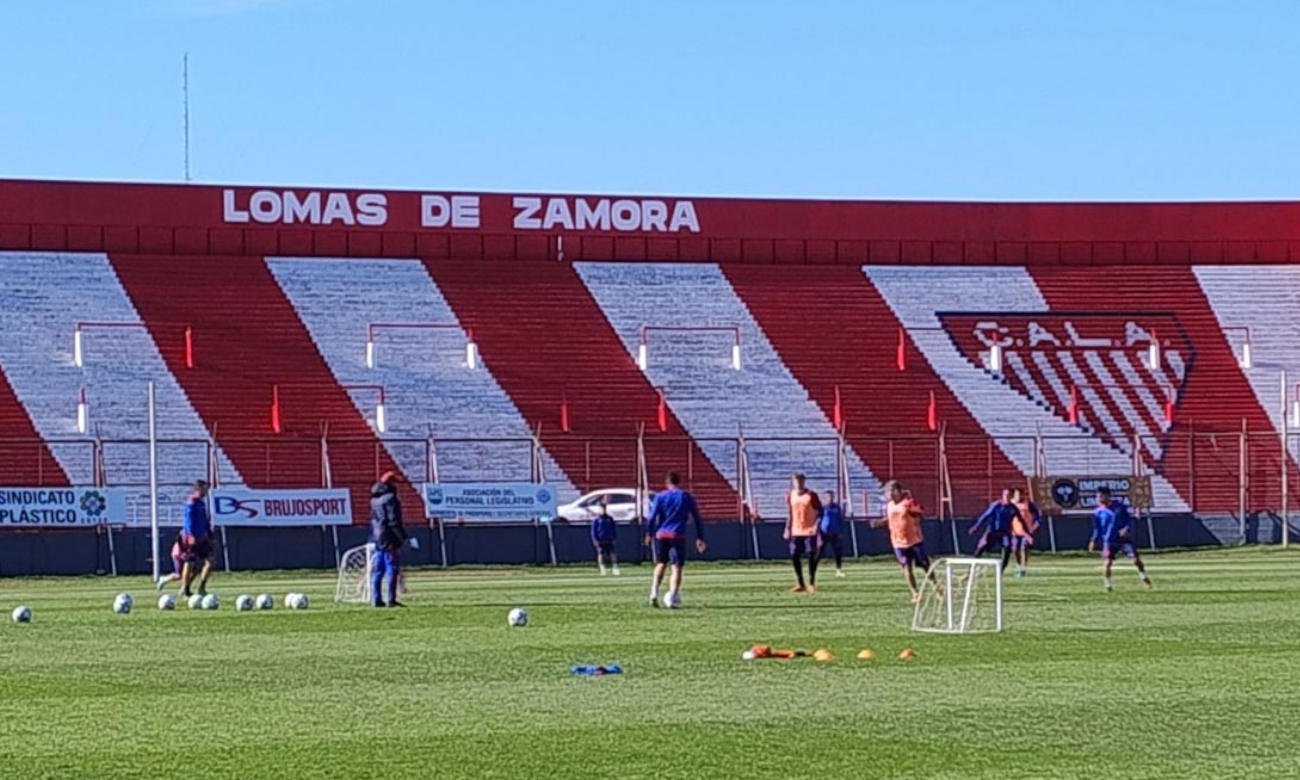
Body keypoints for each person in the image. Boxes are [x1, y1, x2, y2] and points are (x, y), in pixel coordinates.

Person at [644, 471, 707, 608]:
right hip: (677, 535)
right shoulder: (685, 496)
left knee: (661, 563)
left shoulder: (660, 497)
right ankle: (672, 597)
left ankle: (654, 593)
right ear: (679, 482)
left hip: (662, 534)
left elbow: (652, 517)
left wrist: (649, 533)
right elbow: (697, 517)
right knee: (676, 567)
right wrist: (700, 537)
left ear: (667, 483)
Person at [873, 480, 933, 603]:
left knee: (925, 565)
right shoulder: (890, 505)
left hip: (914, 540)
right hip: (898, 542)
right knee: (906, 567)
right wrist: (880, 522)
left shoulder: (906, 504)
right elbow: (890, 518)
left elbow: (919, 511)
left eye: (888, 492)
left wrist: (917, 510)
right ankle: (915, 593)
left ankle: (936, 585)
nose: (887, 495)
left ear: (897, 491)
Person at [1089, 486, 1152, 592]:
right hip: (1109, 540)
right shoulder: (1097, 512)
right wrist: (1093, 540)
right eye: (1098, 496)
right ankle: (1108, 585)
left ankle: (1143, 576)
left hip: (1123, 539)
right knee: (1108, 562)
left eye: (1101, 496)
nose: (1099, 498)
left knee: (1136, 560)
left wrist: (1126, 528)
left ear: (1107, 496)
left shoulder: (1119, 506)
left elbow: (1128, 519)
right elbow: (1097, 528)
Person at [370, 471, 408, 608]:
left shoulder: (374, 499)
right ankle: (391, 599)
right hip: (389, 537)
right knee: (392, 567)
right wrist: (402, 537)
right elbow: (393, 520)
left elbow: (375, 519)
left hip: (377, 536)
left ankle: (376, 599)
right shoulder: (391, 498)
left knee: (378, 569)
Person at [784, 473, 823, 592]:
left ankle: (811, 582)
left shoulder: (811, 495)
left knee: (811, 554)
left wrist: (816, 525)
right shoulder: (790, 495)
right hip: (796, 530)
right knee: (794, 555)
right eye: (796, 481)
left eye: (801, 481)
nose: (799, 483)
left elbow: (820, 513)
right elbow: (790, 513)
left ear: (804, 481)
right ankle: (800, 583)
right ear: (793, 482)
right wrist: (787, 528)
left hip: (810, 530)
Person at [969, 488, 1022, 573]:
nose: (1007, 497)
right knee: (982, 546)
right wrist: (976, 526)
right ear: (1002, 496)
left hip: (1005, 532)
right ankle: (972, 567)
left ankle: (1001, 571)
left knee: (1007, 548)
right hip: (993, 531)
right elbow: (985, 516)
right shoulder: (996, 505)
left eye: (1008, 495)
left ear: (1011, 497)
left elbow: (1020, 519)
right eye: (1005, 495)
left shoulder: (1013, 508)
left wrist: (1027, 532)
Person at [179, 480, 214, 598]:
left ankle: (202, 588)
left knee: (210, 562)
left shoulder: (202, 503)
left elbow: (204, 520)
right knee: (190, 563)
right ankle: (185, 589)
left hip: (203, 538)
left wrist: (209, 533)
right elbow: (188, 522)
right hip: (192, 539)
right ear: (198, 489)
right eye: (204, 489)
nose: (206, 491)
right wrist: (190, 536)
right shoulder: (191, 503)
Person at [1009, 486, 1041, 577]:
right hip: (1014, 531)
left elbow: (1037, 515)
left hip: (1027, 531)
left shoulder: (1028, 504)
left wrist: (1034, 526)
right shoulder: (1011, 504)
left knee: (1024, 548)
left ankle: (1024, 567)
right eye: (1016, 494)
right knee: (1015, 549)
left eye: (1020, 494)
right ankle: (1018, 565)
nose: (1018, 496)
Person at [818, 490, 847, 578]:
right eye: (828, 497)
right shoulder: (822, 508)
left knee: (837, 552)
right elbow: (818, 521)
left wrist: (841, 532)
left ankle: (838, 571)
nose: (830, 499)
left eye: (831, 497)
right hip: (824, 533)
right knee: (819, 552)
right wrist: (818, 533)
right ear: (824, 498)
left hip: (835, 533)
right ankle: (813, 569)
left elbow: (840, 520)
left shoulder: (837, 508)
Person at [590, 495, 620, 576]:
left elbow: (613, 529)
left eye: (604, 508)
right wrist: (595, 540)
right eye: (601, 508)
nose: (603, 510)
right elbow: (593, 531)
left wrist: (614, 538)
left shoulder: (609, 518)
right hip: (600, 540)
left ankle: (615, 568)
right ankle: (602, 569)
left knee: (612, 553)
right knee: (601, 554)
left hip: (609, 539)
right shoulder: (596, 520)